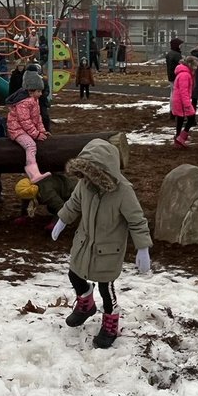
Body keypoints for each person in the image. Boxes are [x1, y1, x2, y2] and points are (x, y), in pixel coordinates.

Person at [50, 139, 152, 349]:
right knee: (74, 274)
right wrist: (62, 220)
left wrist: (142, 248)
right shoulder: (84, 184)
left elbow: (136, 220)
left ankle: (110, 322)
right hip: (84, 242)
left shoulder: (123, 192)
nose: (87, 178)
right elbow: (74, 203)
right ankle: (86, 303)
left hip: (108, 250)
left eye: (92, 173)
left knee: (106, 289)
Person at [7, 69, 51, 184]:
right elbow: (25, 120)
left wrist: (42, 130)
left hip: (24, 128)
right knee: (30, 146)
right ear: (31, 91)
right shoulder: (24, 103)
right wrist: (36, 134)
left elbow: (38, 118)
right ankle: (33, 173)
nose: (41, 94)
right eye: (39, 91)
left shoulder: (34, 100)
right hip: (17, 130)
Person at [171, 55, 198, 148]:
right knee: (191, 117)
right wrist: (187, 104)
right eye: (195, 66)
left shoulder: (183, 73)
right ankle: (181, 137)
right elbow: (183, 91)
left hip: (179, 100)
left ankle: (178, 136)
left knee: (180, 118)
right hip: (181, 100)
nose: (196, 68)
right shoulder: (185, 75)